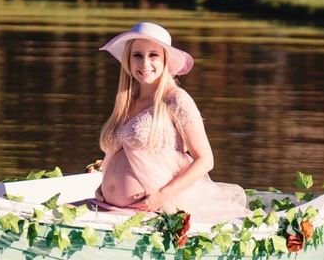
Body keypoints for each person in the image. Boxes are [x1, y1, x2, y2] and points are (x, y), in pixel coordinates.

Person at [92, 22, 250, 222]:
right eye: (137, 55)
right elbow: (120, 155)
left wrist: (162, 196)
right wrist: (104, 185)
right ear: (128, 59)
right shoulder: (127, 99)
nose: (144, 63)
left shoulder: (176, 99)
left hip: (153, 210)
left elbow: (205, 160)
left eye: (153, 55)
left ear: (165, 59)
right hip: (108, 206)